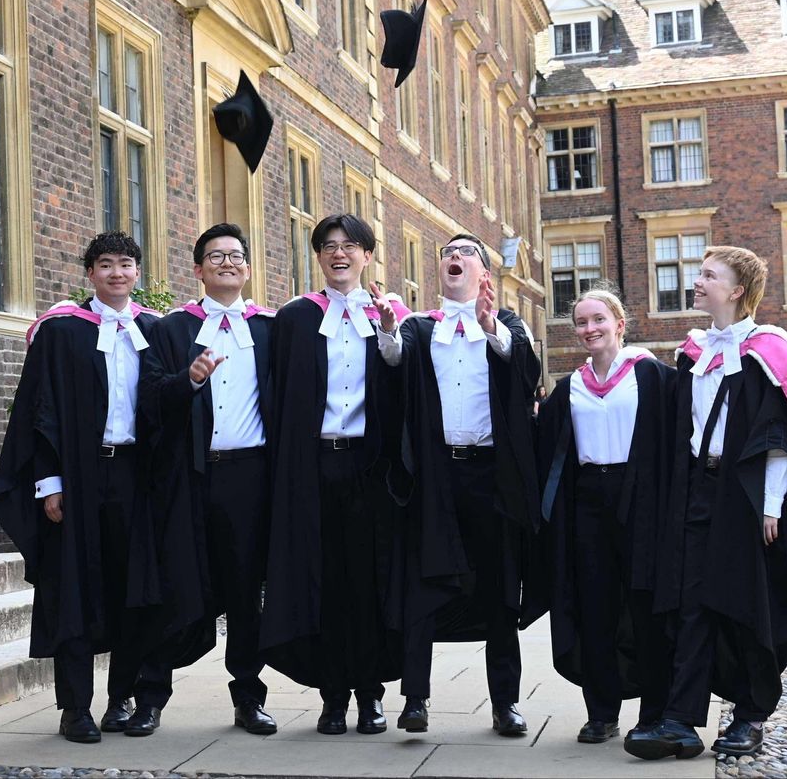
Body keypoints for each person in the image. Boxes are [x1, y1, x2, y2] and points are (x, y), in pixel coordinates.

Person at [625, 246, 787, 761]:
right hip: (696, 490)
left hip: (746, 497)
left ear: (736, 290)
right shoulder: (694, 352)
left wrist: (771, 505)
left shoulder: (768, 352)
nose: (698, 281)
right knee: (689, 602)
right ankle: (681, 720)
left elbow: (780, 437)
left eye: (709, 275)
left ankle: (749, 717)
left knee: (744, 604)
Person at [0, 232, 163, 744]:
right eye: (105, 264)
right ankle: (75, 708)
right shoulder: (62, 331)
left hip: (136, 475)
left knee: (134, 589)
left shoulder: (153, 329)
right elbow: (40, 411)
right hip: (79, 476)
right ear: (89, 273)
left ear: (138, 274)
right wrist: (49, 482)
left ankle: (121, 700)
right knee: (73, 589)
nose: (116, 273)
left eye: (126, 264)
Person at [377, 233, 542, 736]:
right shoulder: (420, 328)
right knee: (424, 584)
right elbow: (393, 363)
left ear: (484, 275)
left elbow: (525, 369)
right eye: (448, 252)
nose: (455, 257)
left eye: (467, 252)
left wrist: (491, 326)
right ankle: (416, 700)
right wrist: (387, 331)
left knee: (498, 591)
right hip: (437, 474)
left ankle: (505, 704)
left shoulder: (507, 325)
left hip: (491, 476)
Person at [125, 223, 278, 737]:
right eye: (215, 257)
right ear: (197, 269)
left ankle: (248, 698)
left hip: (250, 477)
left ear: (248, 268)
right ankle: (150, 697)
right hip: (189, 477)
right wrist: (187, 381)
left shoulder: (269, 331)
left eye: (236, 256)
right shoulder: (171, 330)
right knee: (175, 585)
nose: (227, 263)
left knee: (244, 592)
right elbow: (146, 398)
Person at [261, 213, 411, 736]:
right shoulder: (297, 318)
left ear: (368, 255)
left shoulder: (391, 316)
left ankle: (370, 695)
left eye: (350, 245)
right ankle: (332, 697)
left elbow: (404, 380)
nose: (339, 254)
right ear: (319, 257)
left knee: (367, 583)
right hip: (314, 464)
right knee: (323, 580)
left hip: (370, 470)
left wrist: (390, 333)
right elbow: (276, 396)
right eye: (328, 246)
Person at [535, 287, 673, 747]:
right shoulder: (571, 386)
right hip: (588, 500)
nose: (589, 329)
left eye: (598, 319)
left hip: (641, 500)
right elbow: (542, 439)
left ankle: (654, 712)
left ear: (619, 322)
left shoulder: (651, 375)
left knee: (644, 605)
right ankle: (601, 712)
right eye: (581, 322)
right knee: (595, 606)